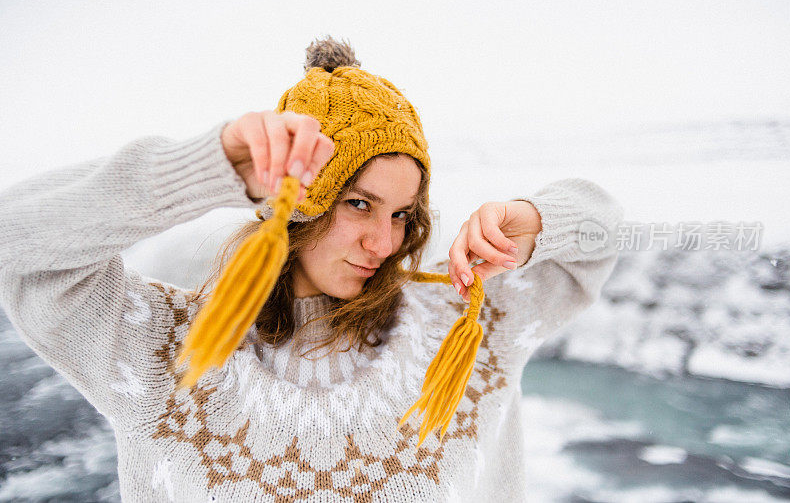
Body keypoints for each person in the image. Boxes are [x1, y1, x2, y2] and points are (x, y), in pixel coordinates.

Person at [0, 36, 624, 502]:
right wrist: (205, 170)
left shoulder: (464, 325)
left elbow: (601, 234)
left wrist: (536, 220)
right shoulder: (163, 346)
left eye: (404, 213)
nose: (385, 240)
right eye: (359, 203)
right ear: (297, 203)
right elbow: (17, 238)